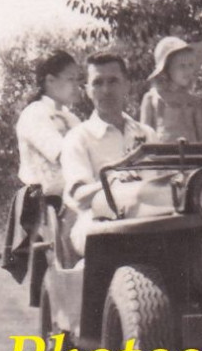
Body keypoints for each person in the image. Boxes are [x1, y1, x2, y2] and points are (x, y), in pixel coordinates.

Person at [60, 52, 158, 254]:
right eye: (97, 83)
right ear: (87, 90)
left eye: (113, 81)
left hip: (149, 217)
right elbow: (79, 198)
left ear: (126, 85)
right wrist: (113, 180)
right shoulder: (78, 137)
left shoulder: (146, 133)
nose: (106, 90)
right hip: (97, 223)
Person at [14, 49, 82, 195]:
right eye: (71, 79)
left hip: (75, 195)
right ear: (50, 81)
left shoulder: (72, 118)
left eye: (78, 79)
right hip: (46, 203)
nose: (77, 85)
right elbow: (64, 155)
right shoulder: (34, 113)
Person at [138, 35, 202, 142]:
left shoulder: (195, 101)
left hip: (192, 156)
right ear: (166, 69)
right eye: (182, 66)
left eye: (191, 65)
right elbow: (143, 137)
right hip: (162, 156)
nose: (188, 70)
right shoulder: (152, 98)